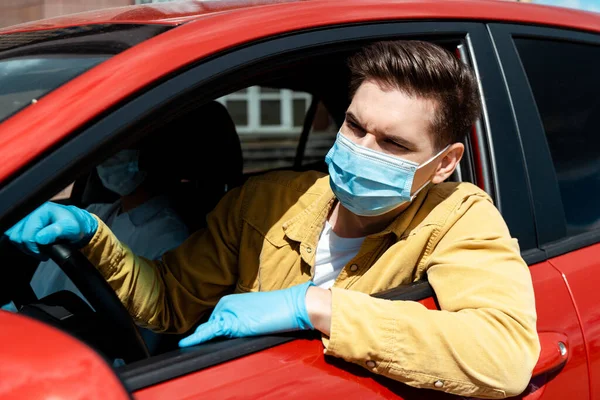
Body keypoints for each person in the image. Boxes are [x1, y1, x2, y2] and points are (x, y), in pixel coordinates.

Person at [5, 40, 540, 398]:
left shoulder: (460, 214)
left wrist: (310, 305)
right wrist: (94, 236)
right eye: (354, 127)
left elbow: (505, 354)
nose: (361, 150)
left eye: (394, 144)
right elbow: (168, 302)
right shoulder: (263, 202)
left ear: (443, 162)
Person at [5, 148, 190, 353]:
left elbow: (137, 349)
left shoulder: (171, 239)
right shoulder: (94, 212)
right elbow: (39, 290)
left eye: (124, 148)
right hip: (27, 337)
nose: (108, 157)